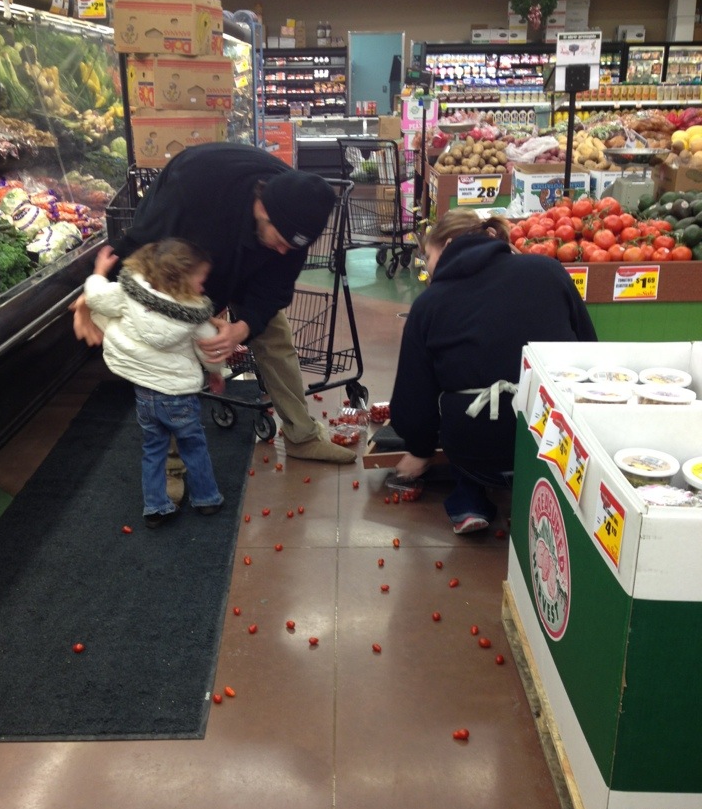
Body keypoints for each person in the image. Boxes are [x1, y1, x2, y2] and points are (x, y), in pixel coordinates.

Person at [72, 142, 356, 464]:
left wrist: (243, 327)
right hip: (184, 254)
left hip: (241, 258)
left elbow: (274, 289)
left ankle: (302, 437)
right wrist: (93, 295)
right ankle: (171, 461)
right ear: (263, 209)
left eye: (291, 248)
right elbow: (142, 243)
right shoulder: (194, 188)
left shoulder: (298, 213)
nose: (283, 252)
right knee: (169, 343)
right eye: (280, 242)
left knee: (275, 336)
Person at [389, 209, 597, 535]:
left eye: (427, 256)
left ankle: (468, 501)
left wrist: (419, 450)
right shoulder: (548, 271)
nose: (427, 268)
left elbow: (414, 398)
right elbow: (590, 350)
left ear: (448, 245)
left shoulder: (429, 304)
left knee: (460, 404)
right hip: (554, 444)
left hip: (476, 453)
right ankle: (539, 503)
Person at [84, 238, 227, 528]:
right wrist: (216, 373)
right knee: (193, 446)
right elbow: (210, 349)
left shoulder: (128, 293)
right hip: (180, 397)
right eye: (201, 279)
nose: (203, 287)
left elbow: (96, 298)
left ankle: (156, 506)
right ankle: (207, 498)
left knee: (153, 449)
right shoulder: (195, 315)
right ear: (181, 278)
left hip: (145, 395)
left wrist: (99, 272)